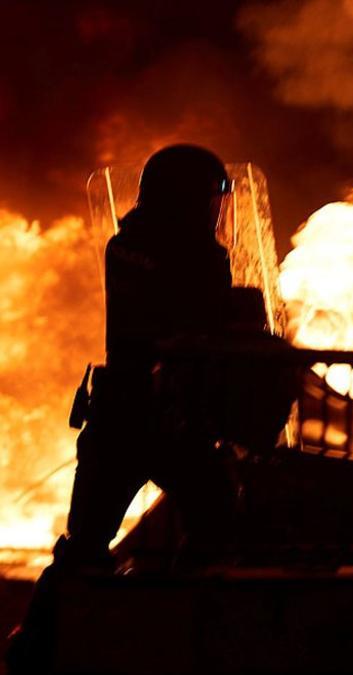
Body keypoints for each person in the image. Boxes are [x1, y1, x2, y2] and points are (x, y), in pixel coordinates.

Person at [7, 144, 240, 671]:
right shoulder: (188, 254)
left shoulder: (128, 243)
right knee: (212, 525)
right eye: (209, 198)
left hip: (126, 415)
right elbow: (204, 325)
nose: (216, 210)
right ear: (185, 199)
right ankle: (166, 635)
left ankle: (44, 649)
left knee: (93, 543)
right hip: (159, 417)